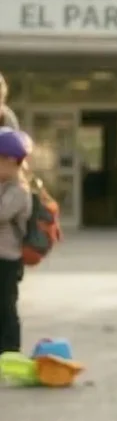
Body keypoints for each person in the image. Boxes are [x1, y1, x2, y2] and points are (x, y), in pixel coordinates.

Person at [0, 128, 32, 353]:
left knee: (5, 307)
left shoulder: (19, 190)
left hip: (7, 259)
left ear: (11, 161)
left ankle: (11, 351)